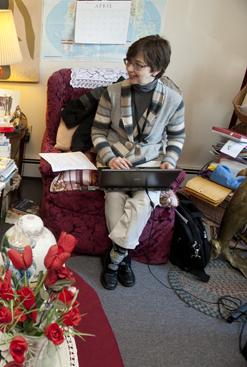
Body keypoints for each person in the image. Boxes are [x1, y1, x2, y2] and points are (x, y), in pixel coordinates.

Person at [91, 35, 186, 290]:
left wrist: (170, 160)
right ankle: (123, 257)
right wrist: (110, 159)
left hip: (151, 163)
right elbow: (98, 132)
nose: (129, 69)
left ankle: (114, 258)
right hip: (115, 161)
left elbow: (177, 136)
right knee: (114, 198)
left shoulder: (174, 100)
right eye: (129, 61)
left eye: (138, 65)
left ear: (157, 69)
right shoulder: (112, 92)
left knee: (143, 201)